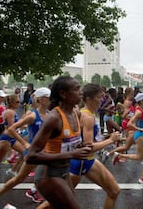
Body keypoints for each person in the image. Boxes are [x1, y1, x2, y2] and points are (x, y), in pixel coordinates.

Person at [25, 76, 93, 209]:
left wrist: (80, 145)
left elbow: (64, 143)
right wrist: (73, 154)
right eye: (76, 89)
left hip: (64, 171)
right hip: (48, 174)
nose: (81, 92)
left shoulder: (75, 114)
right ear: (63, 94)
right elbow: (31, 156)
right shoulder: (54, 118)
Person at [0, 87, 51, 206]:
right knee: (19, 178)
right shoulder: (33, 116)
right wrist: (24, 143)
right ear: (40, 100)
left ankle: (34, 190)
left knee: (50, 173)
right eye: (48, 98)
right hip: (33, 153)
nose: (51, 100)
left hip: (44, 152)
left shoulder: (49, 115)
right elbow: (12, 129)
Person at [69, 83, 121, 209]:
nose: (102, 100)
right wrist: (111, 140)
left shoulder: (86, 114)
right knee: (60, 199)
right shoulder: (88, 117)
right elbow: (88, 147)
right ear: (88, 99)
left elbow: (88, 140)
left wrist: (105, 138)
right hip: (83, 162)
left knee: (114, 191)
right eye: (99, 97)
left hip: (87, 161)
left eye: (102, 97)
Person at [113, 92, 143, 190]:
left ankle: (120, 155)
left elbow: (141, 123)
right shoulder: (139, 111)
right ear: (141, 101)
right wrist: (141, 129)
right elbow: (130, 124)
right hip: (139, 135)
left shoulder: (140, 109)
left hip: (140, 135)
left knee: (140, 157)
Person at [0, 94, 25, 176]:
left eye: (19, 102)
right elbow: (11, 127)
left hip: (11, 138)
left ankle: (13, 170)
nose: (19, 104)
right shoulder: (10, 112)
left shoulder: (11, 111)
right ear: (12, 103)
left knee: (25, 153)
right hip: (7, 138)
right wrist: (23, 125)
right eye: (17, 102)